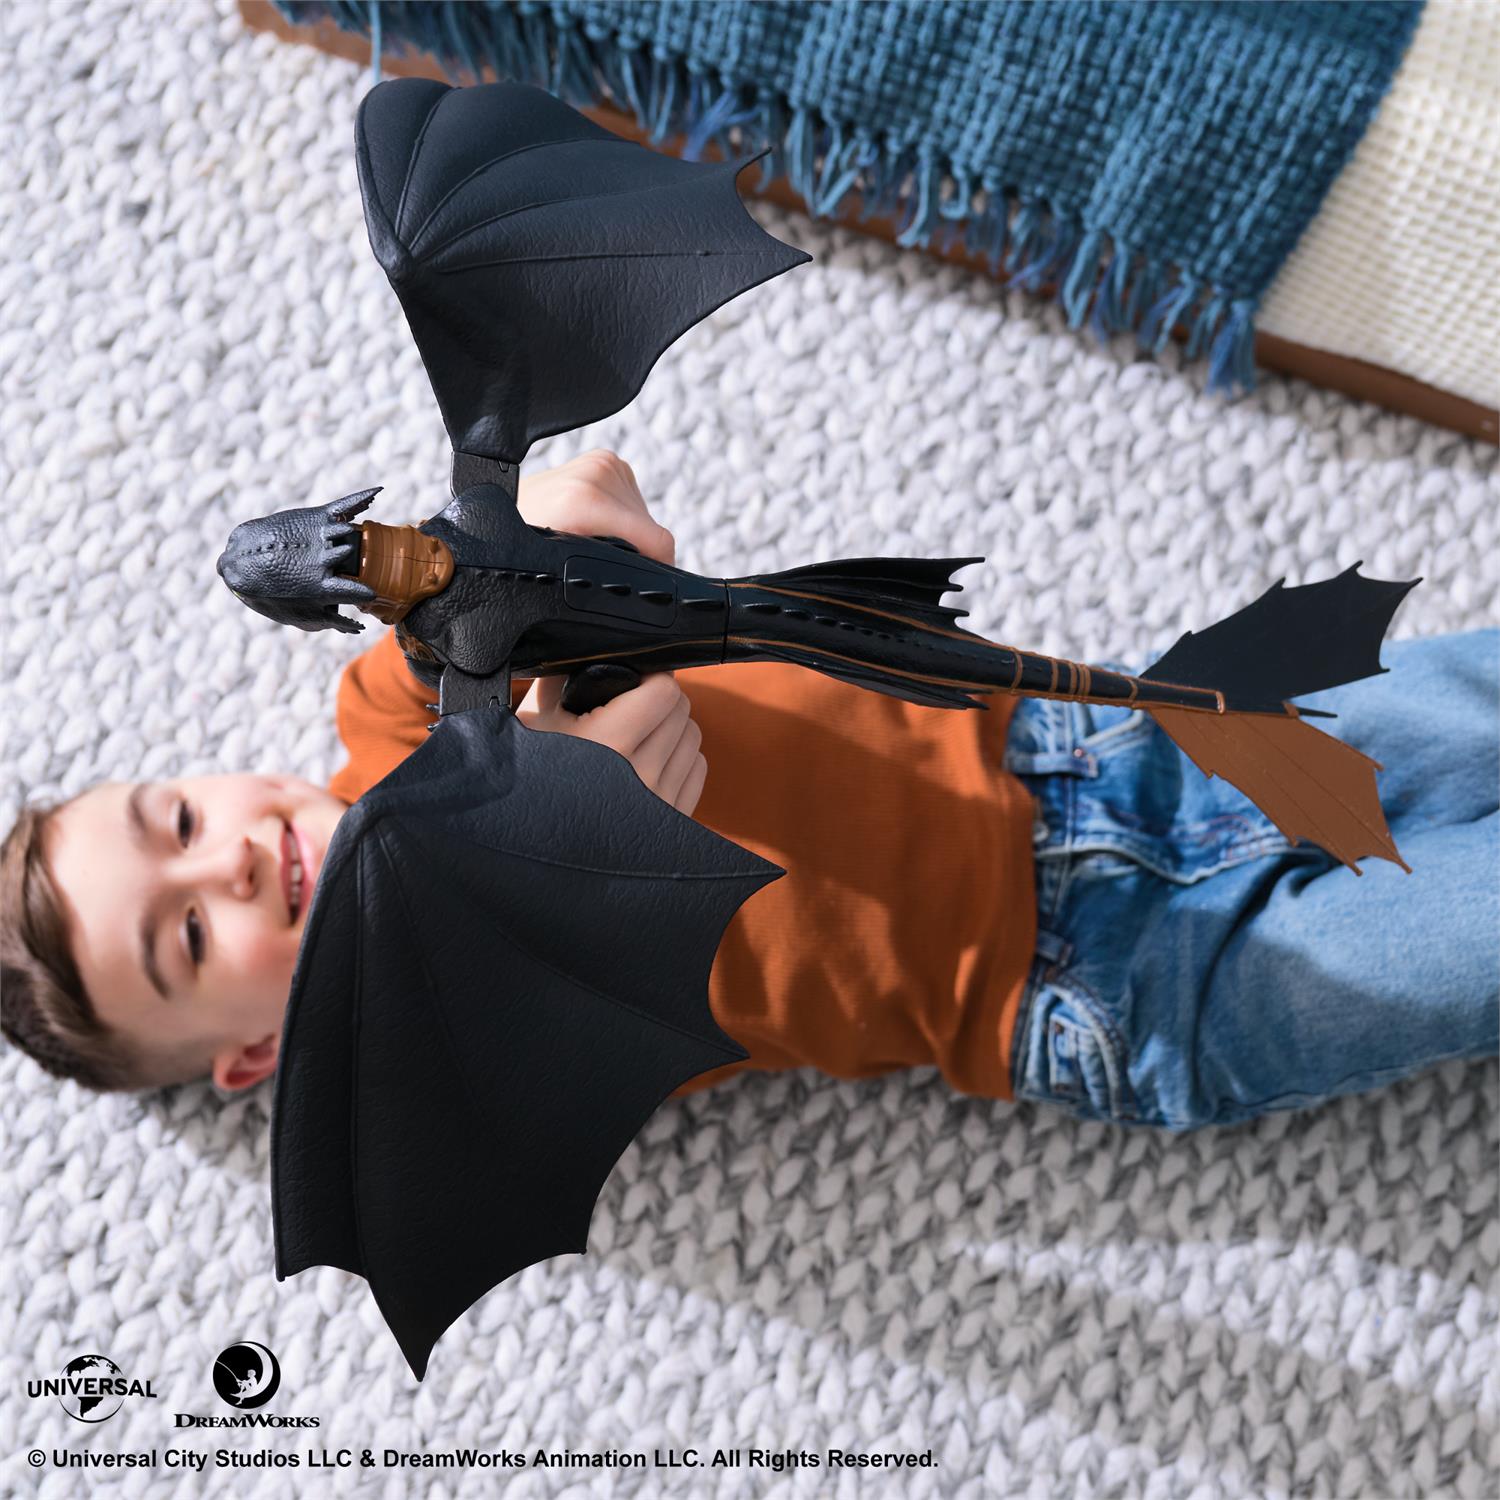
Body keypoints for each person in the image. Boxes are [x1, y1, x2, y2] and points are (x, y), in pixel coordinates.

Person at [3, 451, 1496, 1126]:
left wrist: (554, 532)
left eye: (177, 824)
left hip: (1110, 739)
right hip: (1118, 990)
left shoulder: (385, 719)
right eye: (187, 937)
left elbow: (497, 571)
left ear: (220, 780)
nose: (227, 866)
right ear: (257, 1054)